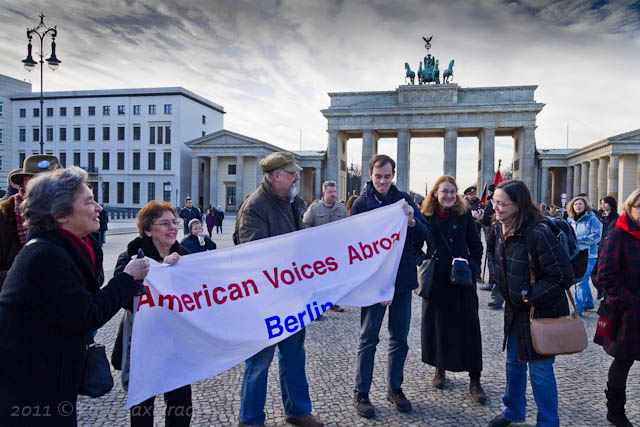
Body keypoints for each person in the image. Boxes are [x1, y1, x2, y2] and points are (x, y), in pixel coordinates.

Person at [0, 166, 149, 426]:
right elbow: (88, 314)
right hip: (29, 392)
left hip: (49, 382)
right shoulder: (45, 256)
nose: (99, 208)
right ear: (60, 215)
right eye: (89, 202)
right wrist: (127, 278)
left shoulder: (66, 248)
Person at [234, 151, 323, 427]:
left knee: (294, 355)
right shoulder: (255, 207)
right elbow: (255, 255)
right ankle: (250, 420)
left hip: (292, 295)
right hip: (264, 300)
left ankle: (298, 411)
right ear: (276, 176)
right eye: (292, 173)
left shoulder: (293, 201)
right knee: (259, 362)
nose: (298, 176)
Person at [488, 180, 574, 427]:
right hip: (515, 311)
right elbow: (497, 261)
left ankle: (548, 423)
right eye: (495, 203)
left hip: (540, 313)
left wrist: (529, 295)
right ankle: (513, 410)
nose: (497, 208)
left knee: (540, 372)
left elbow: (562, 276)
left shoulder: (538, 233)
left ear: (518, 205)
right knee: (513, 364)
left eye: (503, 204)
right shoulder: (498, 227)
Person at [351, 154, 429, 418]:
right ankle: (361, 392)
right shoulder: (361, 204)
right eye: (378, 177)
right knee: (368, 338)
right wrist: (374, 283)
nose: (382, 181)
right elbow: (355, 247)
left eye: (387, 176)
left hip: (402, 281)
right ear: (370, 176)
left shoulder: (404, 200)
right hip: (374, 283)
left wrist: (412, 221)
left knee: (400, 338)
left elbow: (425, 234)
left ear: (393, 174)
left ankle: (395, 387)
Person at [112, 200, 191, 426]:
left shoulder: (184, 255)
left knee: (181, 405)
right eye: (164, 223)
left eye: (174, 222)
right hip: (142, 345)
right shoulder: (129, 257)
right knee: (142, 409)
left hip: (176, 344)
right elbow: (123, 299)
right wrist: (159, 273)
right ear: (148, 230)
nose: (172, 228)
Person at [415, 175, 486, 404]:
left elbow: (476, 245)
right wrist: (422, 262)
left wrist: (472, 266)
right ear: (435, 193)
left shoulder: (464, 215)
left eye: (452, 191)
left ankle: (475, 379)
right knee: (437, 326)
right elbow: (414, 245)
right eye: (444, 191)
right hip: (436, 280)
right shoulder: (425, 216)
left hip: (461, 278)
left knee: (470, 327)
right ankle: (440, 368)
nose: (448, 195)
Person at [596, 188, 640, 427]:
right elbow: (605, 277)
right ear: (629, 208)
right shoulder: (618, 235)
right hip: (628, 312)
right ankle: (616, 412)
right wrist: (630, 302)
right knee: (623, 361)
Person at [0, 154, 61, 291]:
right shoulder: (4, 216)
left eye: (52, 181)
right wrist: (31, 274)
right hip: (16, 307)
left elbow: (95, 275)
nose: (45, 188)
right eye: (37, 181)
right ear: (25, 183)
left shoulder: (73, 214)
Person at [302, 180, 348, 313]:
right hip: (319, 252)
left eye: (334, 192)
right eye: (330, 192)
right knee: (318, 281)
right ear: (324, 192)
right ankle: (316, 308)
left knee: (335, 279)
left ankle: (333, 303)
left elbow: (348, 228)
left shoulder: (342, 209)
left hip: (336, 252)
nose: (333, 194)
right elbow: (305, 225)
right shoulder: (314, 209)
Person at [567, 195, 602, 314]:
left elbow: (596, 237)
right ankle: (589, 302)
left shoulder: (593, 219)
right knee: (583, 280)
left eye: (580, 204)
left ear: (585, 206)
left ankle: (578, 308)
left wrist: (578, 239)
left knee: (581, 281)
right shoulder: (570, 220)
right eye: (576, 204)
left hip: (589, 255)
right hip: (575, 254)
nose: (578, 206)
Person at [592, 195, 619, 299]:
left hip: (608, 248)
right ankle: (600, 288)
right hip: (597, 247)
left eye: (605, 203)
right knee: (593, 273)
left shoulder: (616, 217)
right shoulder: (598, 217)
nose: (602, 205)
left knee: (604, 271)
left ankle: (604, 290)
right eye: (601, 203)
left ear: (611, 204)